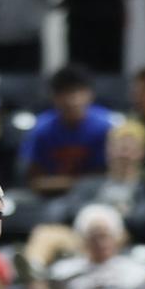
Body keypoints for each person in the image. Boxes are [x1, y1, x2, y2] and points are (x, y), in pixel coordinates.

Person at [21, 65, 120, 196]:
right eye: (65, 93)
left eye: (78, 92)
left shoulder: (107, 127)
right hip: (50, 198)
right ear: (54, 97)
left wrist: (62, 183)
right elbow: (35, 181)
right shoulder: (41, 130)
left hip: (95, 195)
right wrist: (78, 182)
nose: (73, 101)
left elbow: (109, 176)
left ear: (90, 94)